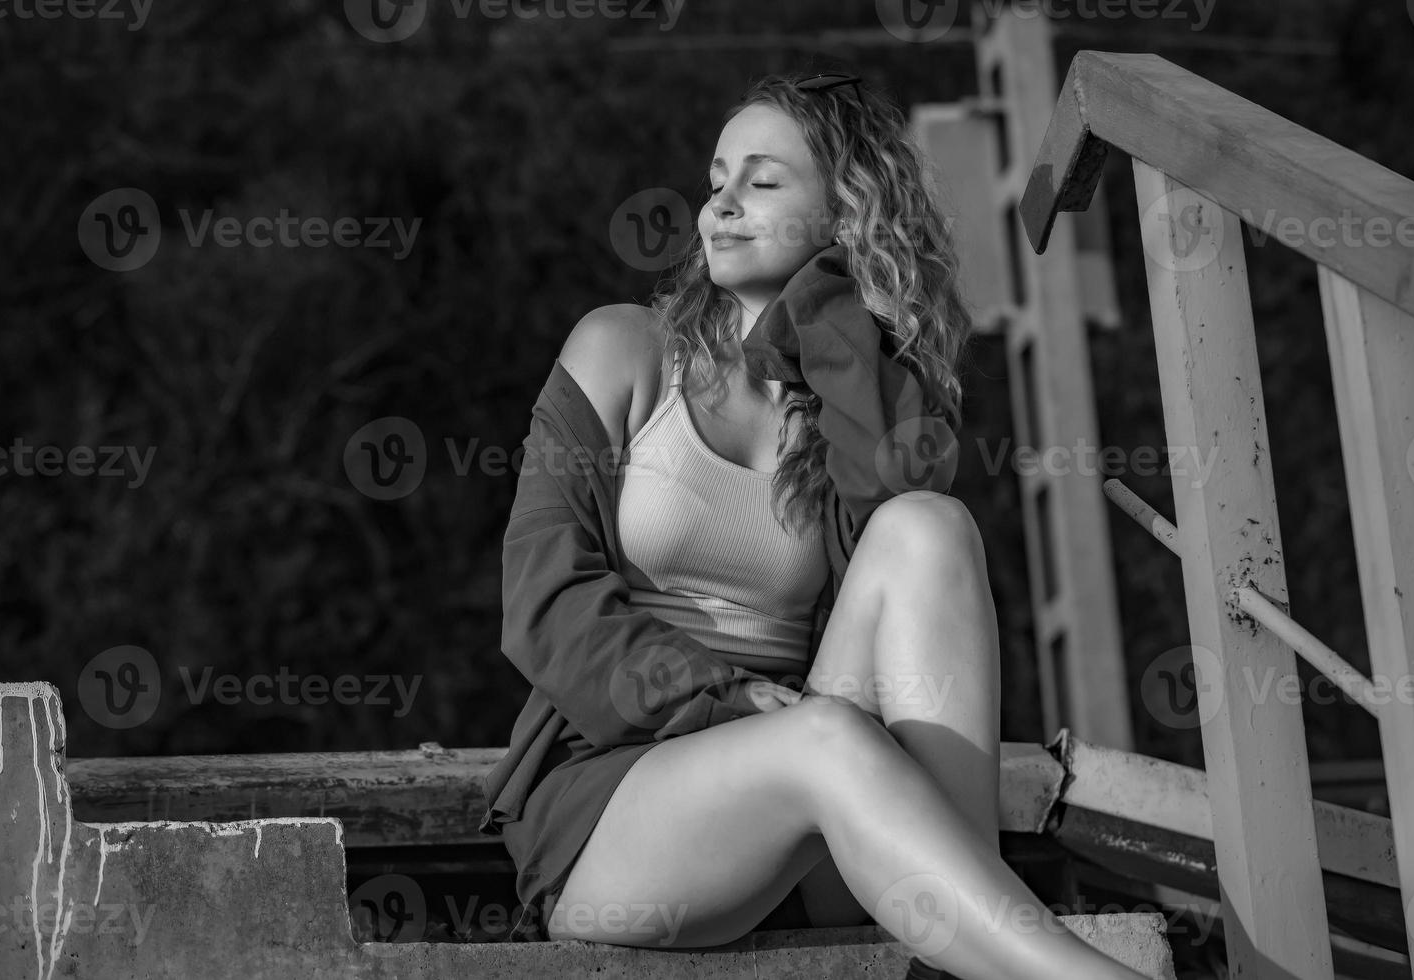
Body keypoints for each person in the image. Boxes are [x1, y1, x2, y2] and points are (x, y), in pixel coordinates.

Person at [478, 70, 1151, 980]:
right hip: (622, 799)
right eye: (717, 179)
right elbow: (542, 602)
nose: (719, 204)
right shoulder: (622, 348)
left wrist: (826, 311)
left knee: (928, 526)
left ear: (846, 212)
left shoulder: (847, 388)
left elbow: (897, 521)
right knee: (826, 737)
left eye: (760, 182)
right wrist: (733, 701)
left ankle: (966, 944)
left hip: (821, 792)